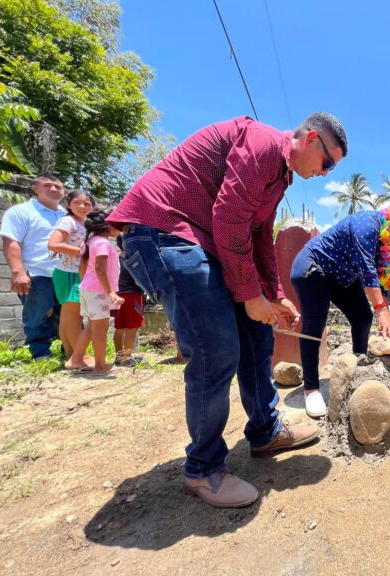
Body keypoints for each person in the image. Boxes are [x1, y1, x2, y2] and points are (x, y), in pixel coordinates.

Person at [108, 113, 347, 508]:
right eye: (328, 163)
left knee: (258, 335)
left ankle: (266, 430)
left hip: (205, 241)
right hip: (163, 231)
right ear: (310, 140)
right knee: (216, 349)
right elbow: (230, 216)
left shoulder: (280, 176)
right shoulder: (262, 143)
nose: (325, 173)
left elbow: (259, 235)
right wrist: (250, 295)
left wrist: (273, 295)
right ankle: (203, 469)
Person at [291, 190, 390, 417]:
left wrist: (387, 310)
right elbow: (367, 270)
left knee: (363, 317)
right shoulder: (368, 223)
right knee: (315, 326)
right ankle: (311, 388)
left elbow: (382, 277)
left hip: (342, 276)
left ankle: (357, 366)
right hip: (314, 266)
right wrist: (381, 310)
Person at [0, 175, 66, 360]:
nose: (54, 189)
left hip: (66, 274)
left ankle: (71, 352)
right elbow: (11, 241)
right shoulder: (21, 212)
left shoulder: (66, 215)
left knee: (70, 314)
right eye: (47, 185)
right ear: (35, 187)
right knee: (36, 316)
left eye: (58, 186)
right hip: (37, 273)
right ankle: (40, 354)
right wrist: (18, 272)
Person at [67, 210, 124, 376]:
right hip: (99, 291)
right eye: (118, 224)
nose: (121, 228)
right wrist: (110, 292)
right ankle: (100, 366)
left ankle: (76, 359)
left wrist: (86, 284)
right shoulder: (103, 243)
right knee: (100, 328)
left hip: (89, 289)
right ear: (107, 225)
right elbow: (100, 268)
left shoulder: (90, 241)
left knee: (92, 326)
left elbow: (82, 267)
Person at [47, 190, 95, 368]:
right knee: (74, 316)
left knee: (67, 317)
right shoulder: (68, 221)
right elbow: (53, 244)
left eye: (87, 203)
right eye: (77, 202)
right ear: (68, 204)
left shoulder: (84, 223)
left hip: (74, 272)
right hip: (69, 273)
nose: (82, 206)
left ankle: (71, 355)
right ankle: (81, 356)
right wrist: (85, 252)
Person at [113, 235, 146, 367]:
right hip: (133, 296)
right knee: (132, 328)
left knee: (119, 328)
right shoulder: (133, 259)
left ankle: (119, 357)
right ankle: (126, 358)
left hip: (116, 297)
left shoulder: (115, 258)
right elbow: (139, 281)